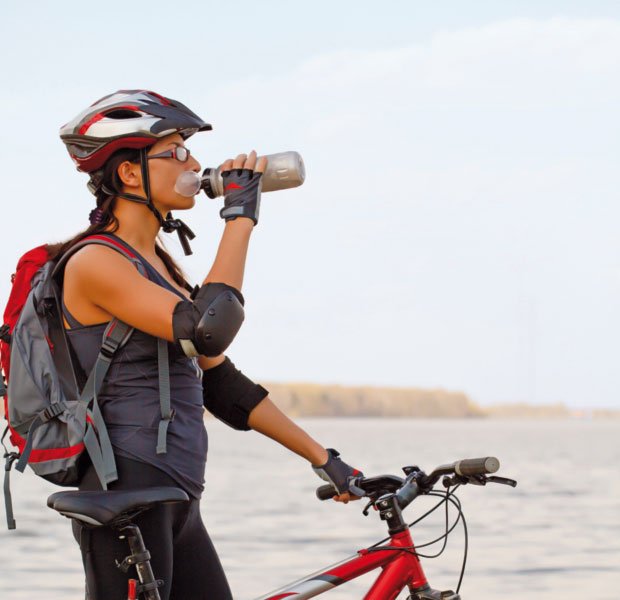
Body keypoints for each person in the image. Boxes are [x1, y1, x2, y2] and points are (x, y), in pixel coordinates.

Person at [49, 89, 363, 600]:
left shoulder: (161, 268)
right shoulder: (94, 262)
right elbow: (207, 327)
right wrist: (240, 216)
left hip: (176, 494)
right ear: (130, 174)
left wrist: (322, 456)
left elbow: (222, 382)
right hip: (126, 492)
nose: (195, 164)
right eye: (177, 152)